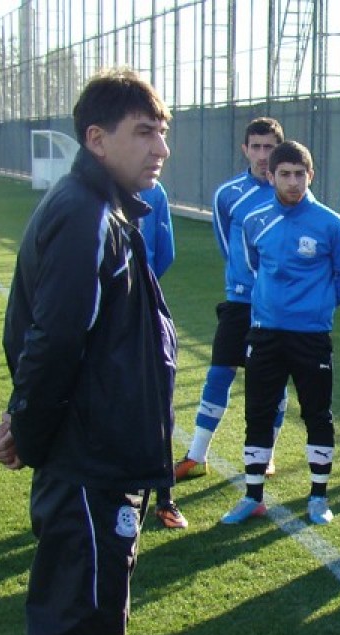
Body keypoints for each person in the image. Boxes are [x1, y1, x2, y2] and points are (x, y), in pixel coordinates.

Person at [0, 68, 174, 635]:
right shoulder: (84, 213)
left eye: (163, 132)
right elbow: (52, 340)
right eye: (144, 132)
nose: (160, 147)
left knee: (94, 625)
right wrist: (31, 435)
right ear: (97, 139)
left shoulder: (107, 207)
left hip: (102, 461)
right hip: (85, 466)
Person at [220, 141, 340, 526]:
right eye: (284, 174)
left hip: (311, 337)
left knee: (317, 414)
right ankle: (253, 497)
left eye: (300, 174)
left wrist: (315, 306)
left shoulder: (334, 225)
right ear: (270, 176)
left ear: (310, 175)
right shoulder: (255, 221)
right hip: (265, 334)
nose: (293, 181)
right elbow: (254, 266)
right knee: (258, 413)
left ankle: (318, 497)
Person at [173, 117, 286, 480]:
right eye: (257, 147)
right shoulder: (228, 194)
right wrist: (242, 279)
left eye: (270, 147)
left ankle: (267, 453)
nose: (263, 155)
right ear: (245, 149)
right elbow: (227, 245)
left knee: (273, 381)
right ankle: (197, 454)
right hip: (239, 301)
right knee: (219, 372)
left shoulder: (289, 191)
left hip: (277, 306)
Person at [138, 181, 187, 529]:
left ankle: (164, 497)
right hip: (117, 312)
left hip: (146, 309)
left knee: (159, 402)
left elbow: (164, 252)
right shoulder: (86, 196)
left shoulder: (153, 191)